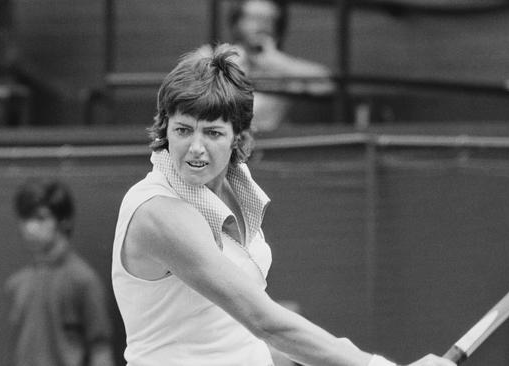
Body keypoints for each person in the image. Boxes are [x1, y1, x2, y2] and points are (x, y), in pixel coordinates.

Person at [111, 43, 454, 366]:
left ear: (239, 139)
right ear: (165, 129)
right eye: (183, 130)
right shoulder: (157, 212)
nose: (195, 147)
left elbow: (236, 333)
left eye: (212, 133)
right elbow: (264, 321)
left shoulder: (233, 189)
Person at [5, 178, 115, 366]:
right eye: (26, 218)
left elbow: (100, 349)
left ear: (63, 220)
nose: (30, 227)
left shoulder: (83, 280)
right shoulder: (17, 284)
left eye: (41, 218)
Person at [228, 0, 335, 132]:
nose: (261, 25)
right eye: (253, 17)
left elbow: (326, 85)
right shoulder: (219, 58)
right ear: (238, 23)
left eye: (269, 19)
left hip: (270, 143)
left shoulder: (280, 67)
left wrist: (277, 62)